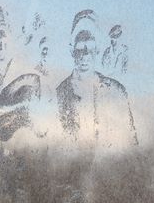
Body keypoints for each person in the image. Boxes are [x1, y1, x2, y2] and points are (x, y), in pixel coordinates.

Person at [57, 9, 137, 150]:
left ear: (98, 48)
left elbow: (132, 145)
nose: (86, 53)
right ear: (72, 50)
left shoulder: (117, 91)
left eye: (90, 44)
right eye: (81, 44)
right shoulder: (59, 94)